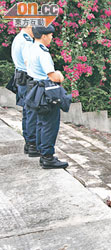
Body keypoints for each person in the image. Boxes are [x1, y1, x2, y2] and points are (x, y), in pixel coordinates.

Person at [26, 25, 71, 169]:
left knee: (41, 122)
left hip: (35, 88)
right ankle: (48, 157)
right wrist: (60, 75)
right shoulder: (42, 52)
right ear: (44, 36)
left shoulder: (31, 48)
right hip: (46, 90)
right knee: (50, 124)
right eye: (50, 35)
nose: (52, 37)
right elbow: (53, 76)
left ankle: (42, 152)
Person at [11, 26, 36, 156]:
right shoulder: (25, 41)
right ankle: (32, 144)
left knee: (27, 111)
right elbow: (28, 62)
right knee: (31, 112)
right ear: (29, 26)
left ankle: (29, 142)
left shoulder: (19, 38)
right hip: (27, 79)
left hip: (21, 79)